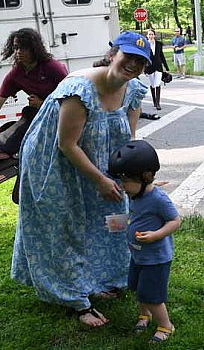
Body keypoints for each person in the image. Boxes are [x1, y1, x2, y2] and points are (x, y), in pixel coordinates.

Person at [10, 31, 150, 327]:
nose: (133, 64)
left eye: (140, 62)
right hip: (55, 161)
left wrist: (132, 177)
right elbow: (66, 144)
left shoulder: (134, 90)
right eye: (128, 57)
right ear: (113, 54)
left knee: (111, 218)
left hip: (99, 158)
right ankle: (75, 298)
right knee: (68, 224)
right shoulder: (80, 88)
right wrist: (99, 180)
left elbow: (129, 140)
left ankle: (101, 279)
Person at [108, 140, 181, 344]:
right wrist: (120, 224)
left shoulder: (159, 199)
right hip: (138, 253)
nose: (121, 186)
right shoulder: (135, 195)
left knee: (152, 295)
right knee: (137, 288)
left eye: (125, 180)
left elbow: (175, 221)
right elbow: (136, 216)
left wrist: (157, 235)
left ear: (145, 177)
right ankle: (144, 315)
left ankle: (166, 325)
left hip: (156, 258)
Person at [0, 28, 68, 127]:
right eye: (16, 48)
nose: (18, 52)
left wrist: (43, 104)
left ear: (34, 49)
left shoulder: (52, 67)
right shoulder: (17, 73)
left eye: (23, 48)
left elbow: (72, 99)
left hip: (65, 118)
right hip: (41, 118)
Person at [145, 29, 170, 110]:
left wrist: (166, 67)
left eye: (152, 34)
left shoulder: (159, 44)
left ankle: (158, 103)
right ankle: (154, 101)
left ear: (154, 35)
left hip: (158, 66)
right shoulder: (145, 45)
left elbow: (162, 56)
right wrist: (144, 69)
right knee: (152, 84)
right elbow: (143, 57)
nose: (151, 36)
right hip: (150, 67)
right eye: (149, 34)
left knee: (157, 83)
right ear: (147, 36)